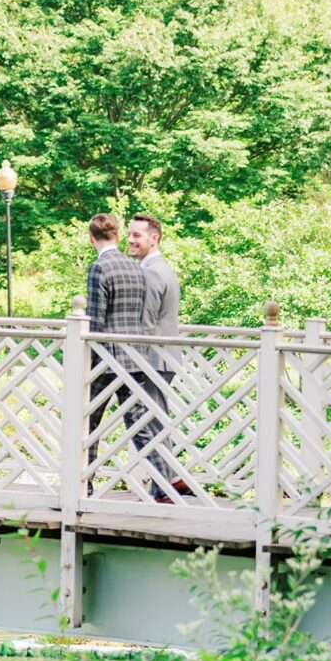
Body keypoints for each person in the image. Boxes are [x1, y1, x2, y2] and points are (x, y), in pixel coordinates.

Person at [128, 212, 191, 499]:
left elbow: (146, 323)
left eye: (137, 235)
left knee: (144, 422)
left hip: (152, 359)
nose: (130, 240)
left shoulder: (151, 272)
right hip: (163, 356)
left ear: (154, 238)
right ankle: (169, 480)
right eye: (129, 234)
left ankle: (163, 485)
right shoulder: (162, 267)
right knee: (155, 420)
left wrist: (129, 354)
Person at [84, 213, 146, 491]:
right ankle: (162, 486)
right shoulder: (135, 267)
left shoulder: (99, 268)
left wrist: (87, 361)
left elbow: (94, 320)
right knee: (138, 423)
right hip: (133, 356)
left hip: (105, 359)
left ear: (91, 238)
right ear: (118, 236)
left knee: (87, 423)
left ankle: (82, 485)